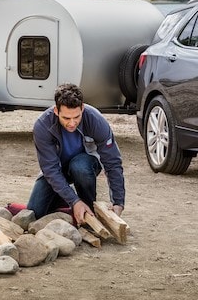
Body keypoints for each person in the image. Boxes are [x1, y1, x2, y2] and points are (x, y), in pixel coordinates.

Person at [27, 83, 125, 226]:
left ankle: (89, 208)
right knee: (35, 212)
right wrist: (74, 201)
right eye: (66, 118)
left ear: (82, 108)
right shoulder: (43, 126)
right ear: (56, 111)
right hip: (58, 169)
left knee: (79, 166)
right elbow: (50, 170)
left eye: (76, 117)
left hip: (85, 165)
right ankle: (70, 198)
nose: (72, 123)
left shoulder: (96, 120)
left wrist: (118, 202)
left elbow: (113, 162)